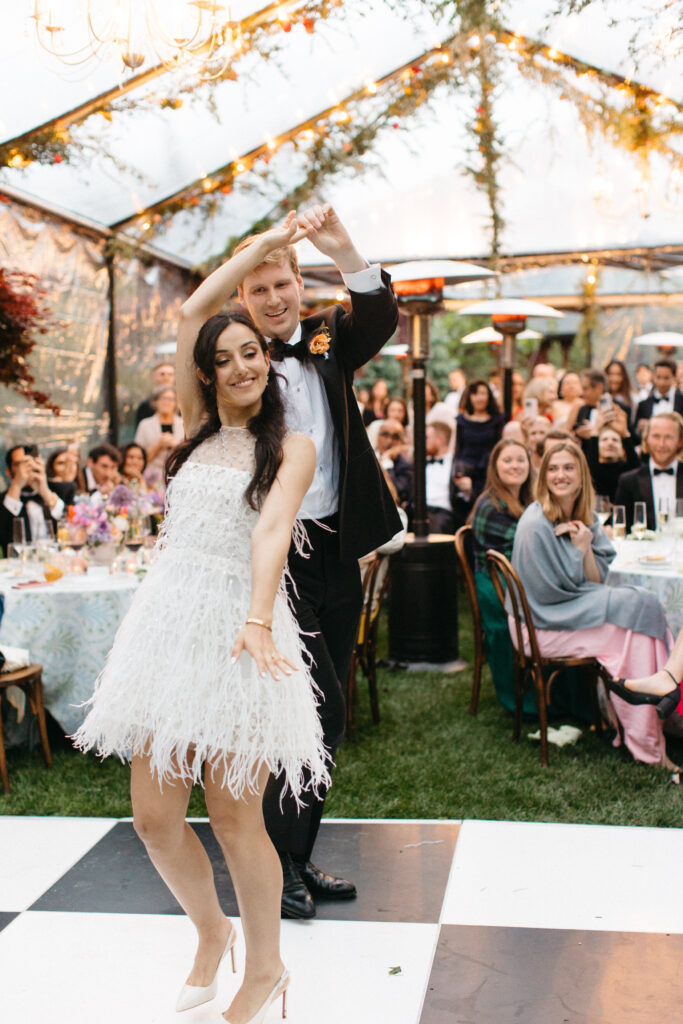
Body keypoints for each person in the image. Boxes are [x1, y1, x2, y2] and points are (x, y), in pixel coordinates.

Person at [74, 304, 330, 1024]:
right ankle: (213, 931)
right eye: (224, 358)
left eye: (252, 352)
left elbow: (272, 530)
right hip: (169, 627)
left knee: (233, 815)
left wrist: (256, 618)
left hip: (242, 626)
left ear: (267, 361)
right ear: (205, 374)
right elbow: (191, 311)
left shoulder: (294, 447)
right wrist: (261, 250)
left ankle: (267, 968)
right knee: (153, 818)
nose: (242, 367)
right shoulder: (196, 428)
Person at [216, 205, 401, 919]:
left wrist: (343, 247)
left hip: (335, 545)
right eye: (257, 289)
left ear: (299, 284)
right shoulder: (237, 360)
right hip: (274, 553)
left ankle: (296, 856)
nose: (272, 299)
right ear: (242, 295)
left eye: (281, 284)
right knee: (310, 709)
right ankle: (275, 864)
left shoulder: (326, 336)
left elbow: (378, 319)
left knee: (329, 709)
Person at [510, 441, 674, 766]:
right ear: (543, 476)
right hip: (540, 625)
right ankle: (648, 745)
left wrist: (584, 547)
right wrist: (579, 555)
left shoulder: (584, 516)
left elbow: (595, 581)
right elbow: (547, 596)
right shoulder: (534, 524)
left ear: (582, 475)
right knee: (631, 630)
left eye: (568, 468)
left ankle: (652, 721)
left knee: (642, 605)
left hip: (565, 614)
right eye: (553, 469)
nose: (560, 475)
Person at [469, 439, 535, 713]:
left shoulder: (529, 500)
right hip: (496, 582)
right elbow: (524, 548)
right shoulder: (491, 505)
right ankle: (524, 699)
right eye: (507, 460)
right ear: (495, 467)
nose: (515, 466)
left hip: (519, 574)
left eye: (521, 460)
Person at [614, 411, 683, 530]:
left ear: (680, 441)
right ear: (646, 439)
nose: (661, 444)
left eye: (668, 437)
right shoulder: (628, 481)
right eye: (656, 436)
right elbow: (620, 526)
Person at [0, 444, 70, 556]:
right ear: (8, 472)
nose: (26, 469)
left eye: (30, 463)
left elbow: (69, 523)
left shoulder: (61, 490)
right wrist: (17, 485)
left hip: (55, 561)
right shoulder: (4, 500)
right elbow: (4, 535)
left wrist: (45, 491)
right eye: (19, 464)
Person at [454, 379, 505, 503]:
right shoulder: (461, 421)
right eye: (475, 394)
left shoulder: (497, 420)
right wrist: (458, 473)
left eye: (483, 393)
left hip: (488, 470)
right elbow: (458, 449)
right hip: (466, 470)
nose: (479, 398)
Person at [585, 419, 640, 503]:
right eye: (604, 439)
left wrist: (625, 434)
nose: (610, 443)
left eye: (615, 440)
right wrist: (595, 431)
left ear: (622, 448)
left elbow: (636, 465)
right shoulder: (593, 469)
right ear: (597, 445)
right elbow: (592, 465)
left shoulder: (628, 470)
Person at [135, 385, 185, 471]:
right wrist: (159, 444)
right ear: (155, 402)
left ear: (175, 403)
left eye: (170, 399)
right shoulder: (145, 425)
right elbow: (138, 458)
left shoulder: (183, 424)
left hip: (179, 472)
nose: (166, 402)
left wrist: (175, 445)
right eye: (163, 399)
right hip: (152, 474)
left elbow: (191, 455)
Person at [374, 419, 413, 515]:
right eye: (385, 435)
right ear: (377, 437)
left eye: (395, 437)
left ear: (401, 442)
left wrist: (387, 462)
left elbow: (396, 494)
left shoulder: (406, 466)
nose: (389, 441)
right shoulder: (369, 458)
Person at [635, 357, 683, 430]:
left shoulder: (681, 401)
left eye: (666, 378)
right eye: (658, 377)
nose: (662, 383)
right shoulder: (643, 405)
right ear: (653, 377)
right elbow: (635, 432)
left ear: (674, 377)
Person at [424, 421, 454, 534]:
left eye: (427, 438)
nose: (423, 442)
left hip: (442, 513)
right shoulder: (419, 462)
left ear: (441, 439)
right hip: (416, 510)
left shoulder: (456, 465)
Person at [134, 361, 175, 426]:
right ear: (154, 377)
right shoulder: (145, 406)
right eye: (162, 374)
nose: (166, 378)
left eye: (170, 374)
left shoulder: (182, 404)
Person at [605, 359, 638, 424]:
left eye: (618, 374)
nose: (614, 379)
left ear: (624, 377)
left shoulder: (632, 398)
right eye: (611, 374)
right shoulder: (602, 397)